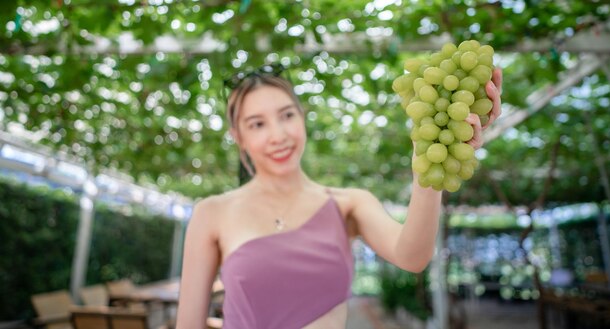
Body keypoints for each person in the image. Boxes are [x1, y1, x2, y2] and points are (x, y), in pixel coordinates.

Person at [176, 63, 503, 329]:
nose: (278, 135)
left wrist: (427, 165)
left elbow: (413, 256)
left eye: (287, 115)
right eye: (257, 124)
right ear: (239, 136)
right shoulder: (212, 213)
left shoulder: (348, 203)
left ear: (302, 118)